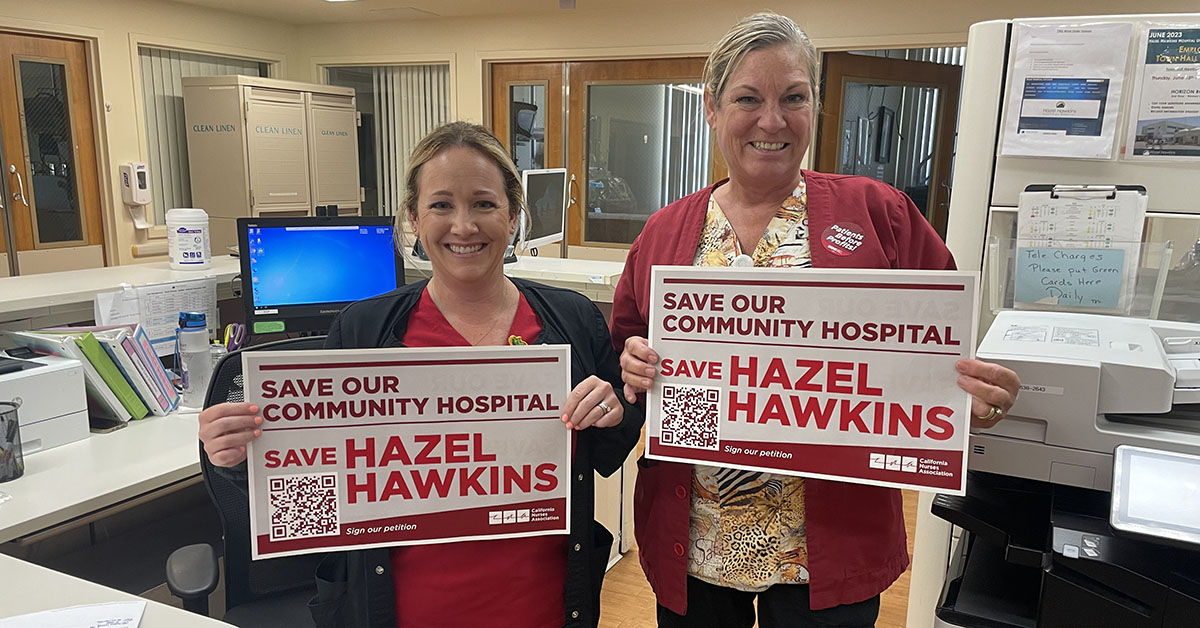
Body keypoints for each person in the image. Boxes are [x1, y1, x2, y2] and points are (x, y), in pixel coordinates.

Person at [609, 12, 1021, 628]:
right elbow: (625, 353)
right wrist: (634, 365)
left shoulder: (880, 214)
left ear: (816, 105)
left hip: (825, 548)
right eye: (747, 98)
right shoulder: (666, 232)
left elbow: (946, 348)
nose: (771, 121)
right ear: (712, 110)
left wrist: (974, 398)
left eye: (793, 98)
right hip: (694, 541)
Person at [199, 121, 644, 628]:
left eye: (483, 203)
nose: (463, 225)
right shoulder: (364, 329)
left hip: (543, 608)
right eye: (440, 205)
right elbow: (313, 497)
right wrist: (244, 459)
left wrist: (613, 415)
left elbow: (607, 453)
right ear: (413, 217)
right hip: (403, 611)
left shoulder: (572, 319)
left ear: (514, 215)